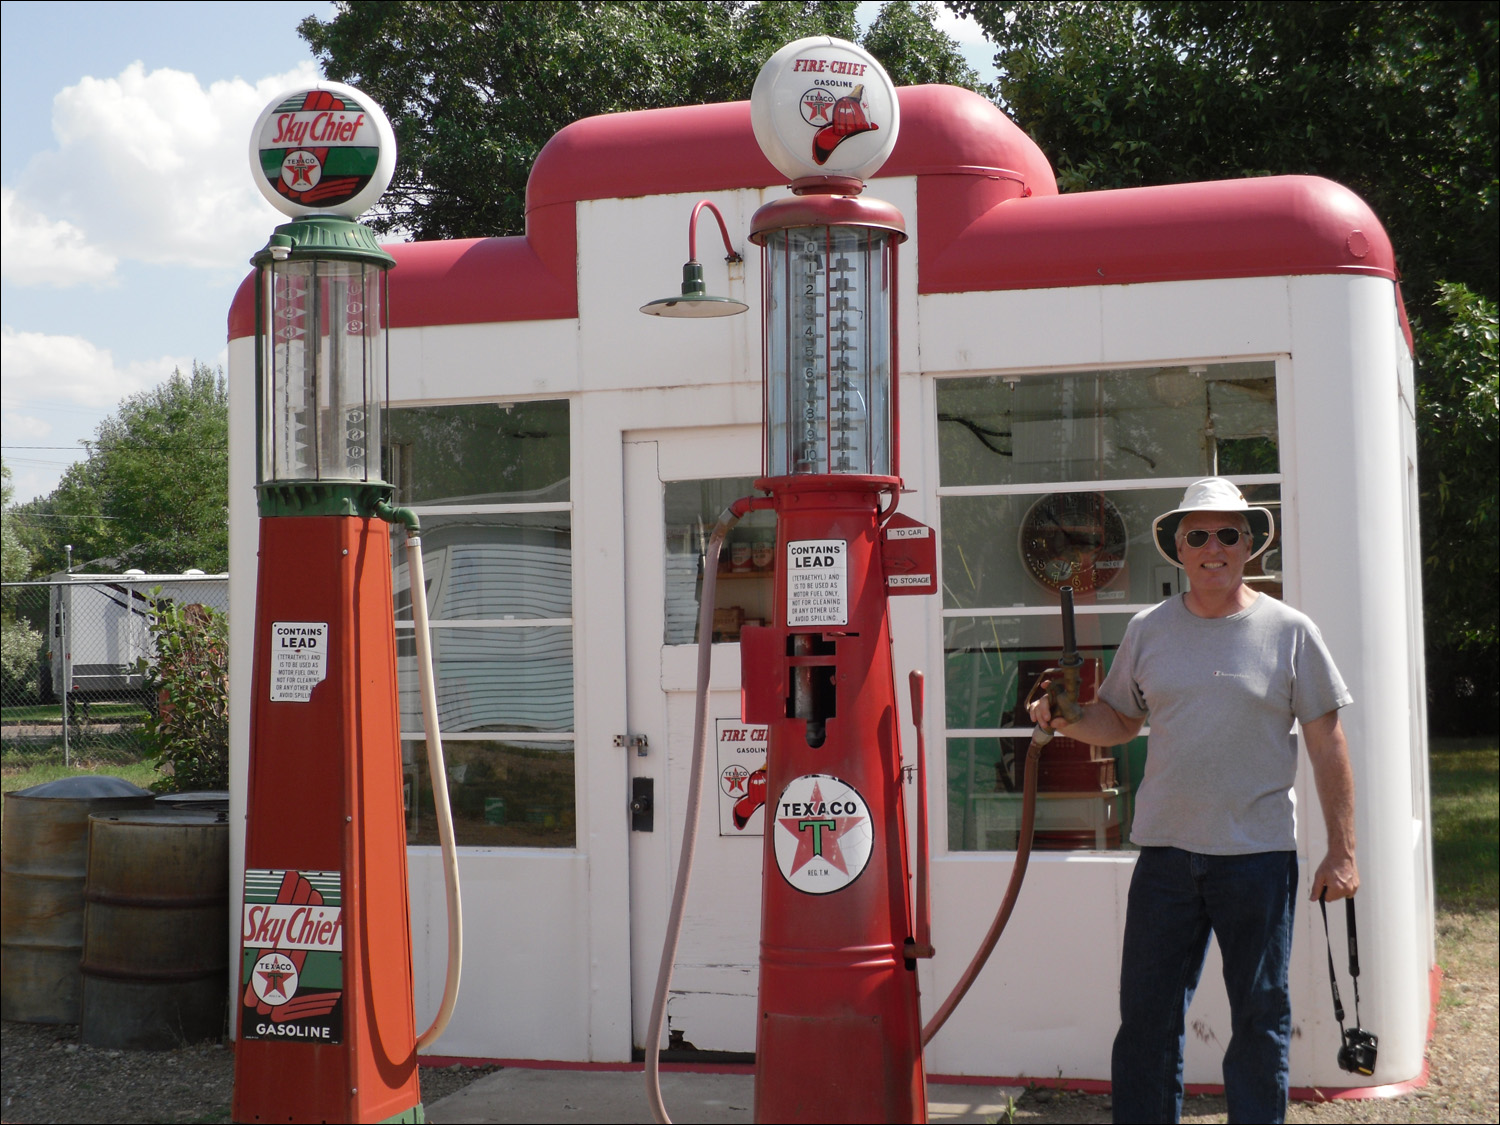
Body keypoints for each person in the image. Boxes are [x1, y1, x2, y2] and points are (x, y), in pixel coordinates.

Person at [1029, 477, 1358, 1124]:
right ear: (1178, 546)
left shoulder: (1290, 631)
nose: (1215, 547)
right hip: (1166, 858)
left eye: (1229, 533)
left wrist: (1342, 851)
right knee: (1147, 1021)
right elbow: (1119, 719)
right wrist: (1066, 719)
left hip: (1256, 858)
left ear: (1250, 545)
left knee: (1261, 1017)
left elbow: (1328, 740)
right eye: (1199, 535)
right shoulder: (1149, 629)